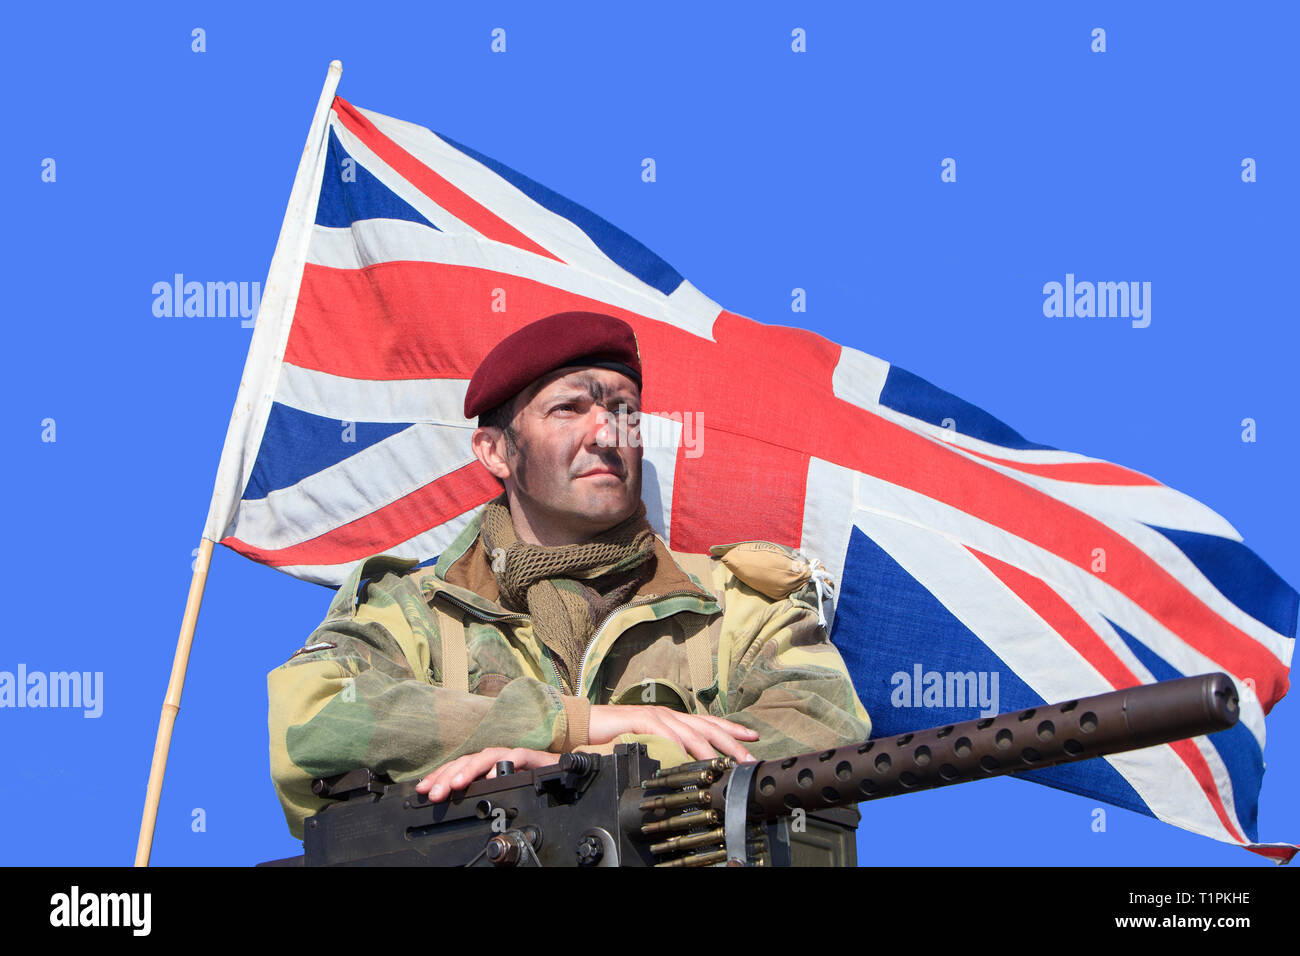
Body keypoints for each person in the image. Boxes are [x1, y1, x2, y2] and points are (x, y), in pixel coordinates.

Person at [267, 311, 871, 839]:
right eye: (568, 409)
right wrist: (570, 724)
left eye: (624, 412)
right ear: (495, 451)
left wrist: (589, 767)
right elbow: (312, 719)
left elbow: (824, 729)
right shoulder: (416, 611)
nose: (607, 434)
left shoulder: (731, 607)